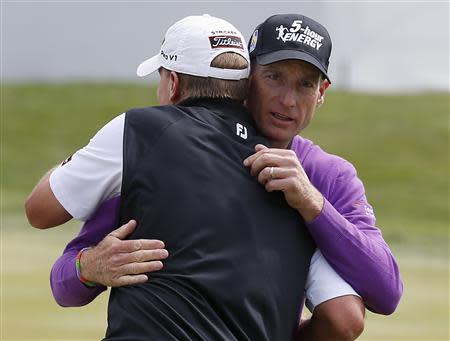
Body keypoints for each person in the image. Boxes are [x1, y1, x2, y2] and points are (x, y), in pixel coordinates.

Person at [26, 13, 403, 340]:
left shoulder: (326, 177)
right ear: (247, 78)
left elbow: (382, 295)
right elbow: (70, 276)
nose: (288, 100)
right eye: (274, 77)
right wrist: (88, 268)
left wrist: (314, 204)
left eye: (304, 84)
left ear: (321, 92)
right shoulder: (166, 150)